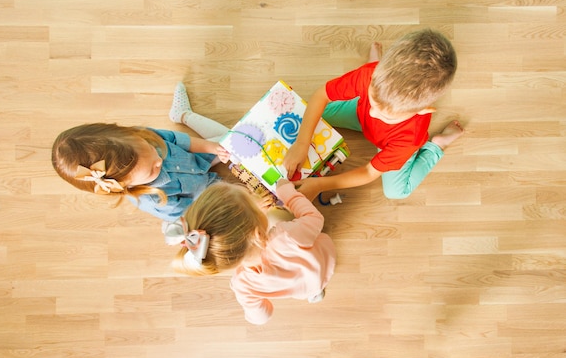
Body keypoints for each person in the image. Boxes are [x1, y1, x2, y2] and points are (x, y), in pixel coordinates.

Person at [282, 28, 465, 200]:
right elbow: (322, 95)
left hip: (390, 144)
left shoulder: (410, 139)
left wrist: (320, 185)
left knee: (396, 192)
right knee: (309, 112)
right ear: (378, 71)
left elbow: (369, 172)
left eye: (385, 116)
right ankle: (373, 64)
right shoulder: (369, 76)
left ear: (423, 110)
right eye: (373, 100)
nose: (372, 113)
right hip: (361, 112)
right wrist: (301, 143)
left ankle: (436, 146)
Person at [51, 83, 231, 222]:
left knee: (231, 140)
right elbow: (193, 211)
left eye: (154, 149)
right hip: (203, 192)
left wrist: (211, 148)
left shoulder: (140, 136)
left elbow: (179, 140)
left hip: (197, 159)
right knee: (239, 201)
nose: (159, 161)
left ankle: (183, 114)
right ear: (126, 186)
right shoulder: (154, 200)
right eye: (153, 170)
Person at [168, 179, 336, 325]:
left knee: (311, 289)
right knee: (302, 236)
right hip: (322, 262)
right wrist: (287, 192)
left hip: (301, 289)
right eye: (252, 200)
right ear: (258, 234)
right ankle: (316, 289)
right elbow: (314, 218)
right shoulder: (286, 235)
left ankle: (315, 294)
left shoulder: (242, 285)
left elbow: (261, 316)